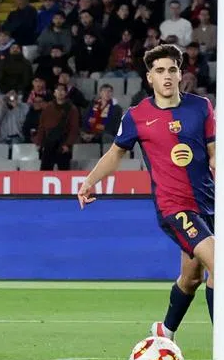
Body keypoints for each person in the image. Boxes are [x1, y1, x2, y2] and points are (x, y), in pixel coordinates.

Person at [77, 45, 216, 340]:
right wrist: (90, 181)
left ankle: (164, 332)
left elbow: (214, 154)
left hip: (210, 204)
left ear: (181, 75)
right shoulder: (137, 116)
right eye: (160, 71)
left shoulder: (201, 107)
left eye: (172, 70)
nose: (167, 76)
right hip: (174, 207)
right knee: (222, 265)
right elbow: (115, 154)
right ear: (149, 77)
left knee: (191, 278)